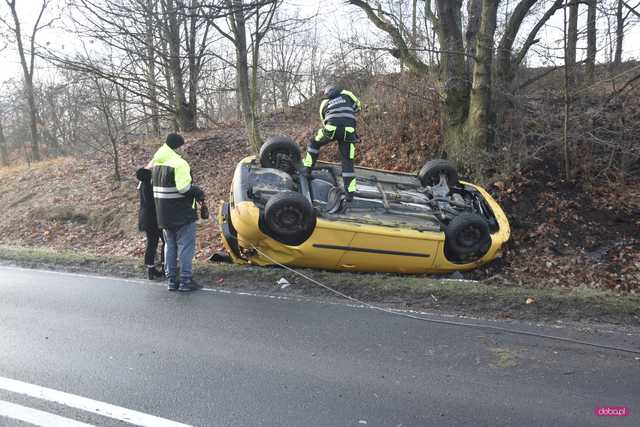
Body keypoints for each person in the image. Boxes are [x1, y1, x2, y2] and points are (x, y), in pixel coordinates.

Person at [151, 133, 205, 292]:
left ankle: (172, 280)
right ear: (177, 147)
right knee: (185, 246)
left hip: (163, 214)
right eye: (182, 146)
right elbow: (183, 188)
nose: (183, 149)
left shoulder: (157, 163)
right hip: (182, 214)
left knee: (170, 245)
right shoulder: (179, 163)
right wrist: (197, 191)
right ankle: (186, 280)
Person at [302, 85, 362, 201]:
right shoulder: (347, 93)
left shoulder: (324, 103)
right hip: (349, 131)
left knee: (314, 143)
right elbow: (358, 106)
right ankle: (349, 194)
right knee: (347, 162)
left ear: (327, 93)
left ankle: (307, 170)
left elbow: (324, 119)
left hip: (331, 129)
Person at [135, 164, 164, 280]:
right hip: (154, 220)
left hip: (145, 219)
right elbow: (154, 202)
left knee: (151, 244)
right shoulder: (149, 185)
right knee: (166, 242)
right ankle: (164, 266)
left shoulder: (142, 184)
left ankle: (150, 269)